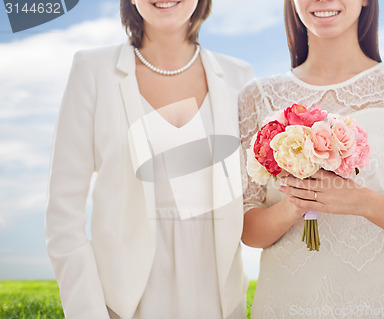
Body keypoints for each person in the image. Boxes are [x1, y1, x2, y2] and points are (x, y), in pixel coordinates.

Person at [239, 0, 384, 317]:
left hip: (379, 298)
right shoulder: (256, 97)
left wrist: (361, 201)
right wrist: (296, 204)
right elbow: (246, 228)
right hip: (286, 300)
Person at [45, 0, 253, 318]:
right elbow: (63, 216)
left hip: (218, 303)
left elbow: (257, 196)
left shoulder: (240, 78)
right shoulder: (93, 70)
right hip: (124, 305)